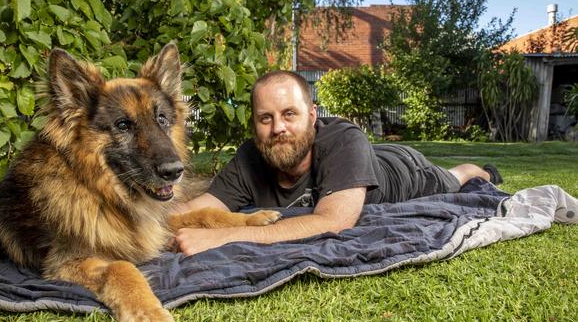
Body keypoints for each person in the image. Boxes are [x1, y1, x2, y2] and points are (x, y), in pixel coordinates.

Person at [173, 70, 503, 255]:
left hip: (405, 171)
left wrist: (223, 236)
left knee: (456, 177)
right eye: (265, 118)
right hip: (365, 162)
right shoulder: (250, 156)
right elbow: (198, 206)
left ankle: (484, 170)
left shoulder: (343, 138)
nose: (278, 128)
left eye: (289, 114)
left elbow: (333, 222)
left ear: (312, 116)